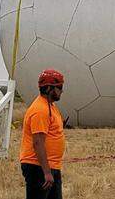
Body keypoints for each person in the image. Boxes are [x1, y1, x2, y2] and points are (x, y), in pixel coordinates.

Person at [20, 69, 67, 199]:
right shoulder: (40, 110)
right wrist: (46, 172)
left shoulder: (50, 106)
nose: (62, 91)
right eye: (59, 87)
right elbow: (38, 143)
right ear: (49, 88)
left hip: (51, 166)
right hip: (38, 167)